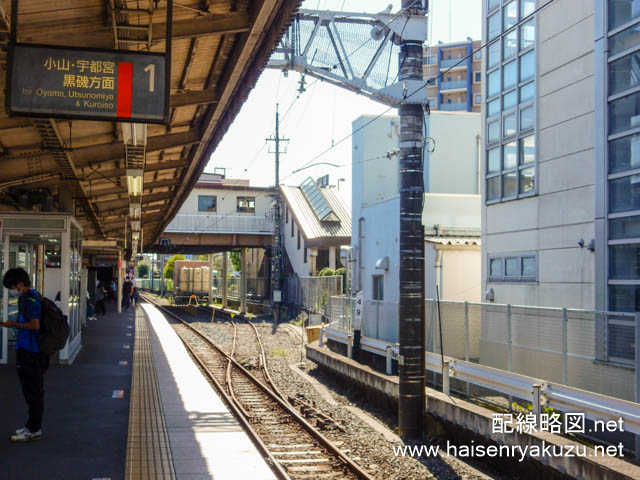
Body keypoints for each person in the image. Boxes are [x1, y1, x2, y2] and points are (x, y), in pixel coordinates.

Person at [0, 268, 49, 442]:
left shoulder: (30, 300)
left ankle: (34, 429)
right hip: (28, 351)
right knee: (31, 392)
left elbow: (35, 326)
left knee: (33, 392)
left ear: (19, 284)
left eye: (11, 287)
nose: (11, 291)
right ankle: (31, 426)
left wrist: (13, 324)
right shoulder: (30, 297)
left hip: (31, 352)